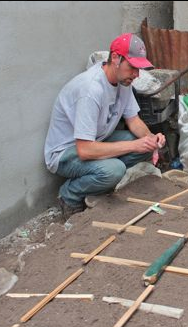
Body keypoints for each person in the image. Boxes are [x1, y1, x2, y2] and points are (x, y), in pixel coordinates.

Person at [44, 33, 165, 220]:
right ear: (115, 58)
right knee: (114, 170)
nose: (136, 74)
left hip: (96, 141)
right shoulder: (91, 90)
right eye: (132, 67)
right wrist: (134, 145)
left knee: (143, 145)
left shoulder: (123, 82)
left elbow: (134, 120)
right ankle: (70, 196)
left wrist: (151, 139)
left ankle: (100, 182)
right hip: (65, 153)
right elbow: (84, 150)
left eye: (138, 69)